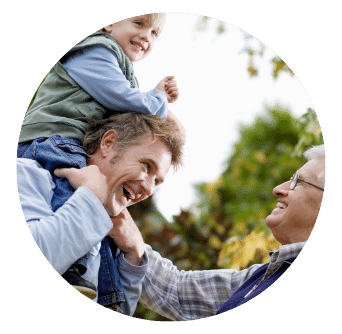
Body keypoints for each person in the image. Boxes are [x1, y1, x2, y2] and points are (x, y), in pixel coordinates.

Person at [17, 12, 180, 302]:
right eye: (139, 23)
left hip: (64, 141)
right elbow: (124, 99)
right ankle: (72, 271)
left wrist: (132, 257)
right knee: (70, 186)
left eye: (155, 33)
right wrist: (159, 104)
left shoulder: (110, 222)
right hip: (52, 137)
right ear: (108, 142)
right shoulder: (96, 50)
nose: (146, 36)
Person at [108, 145, 325, 321]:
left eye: (298, 181)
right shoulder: (258, 278)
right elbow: (177, 290)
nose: (278, 188)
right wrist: (135, 248)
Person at [16, 112, 184, 315]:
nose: (149, 189)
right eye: (146, 166)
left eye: (156, 181)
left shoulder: (113, 242)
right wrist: (92, 197)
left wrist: (133, 258)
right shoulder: (25, 174)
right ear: (109, 143)